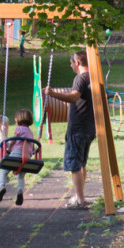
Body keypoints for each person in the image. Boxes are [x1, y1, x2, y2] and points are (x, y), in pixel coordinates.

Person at [44, 50, 96, 209]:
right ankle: (79, 195)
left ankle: (80, 200)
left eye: (71, 62)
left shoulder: (81, 78)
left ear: (77, 63)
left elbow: (74, 96)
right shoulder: (92, 77)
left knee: (74, 165)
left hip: (78, 127)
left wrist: (53, 94)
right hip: (88, 127)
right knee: (81, 164)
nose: (70, 65)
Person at [0, 109, 34, 206]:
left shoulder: (19, 129)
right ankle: (20, 191)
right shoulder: (30, 132)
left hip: (16, 154)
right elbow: (32, 146)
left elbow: (13, 141)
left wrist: (9, 148)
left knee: (3, 171)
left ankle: (2, 187)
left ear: (18, 120)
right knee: (21, 175)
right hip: (26, 158)